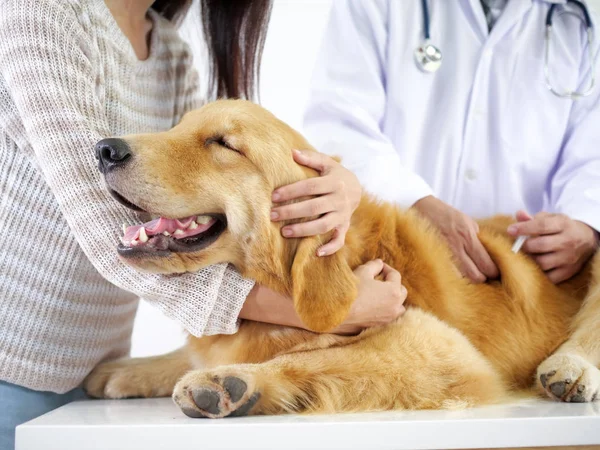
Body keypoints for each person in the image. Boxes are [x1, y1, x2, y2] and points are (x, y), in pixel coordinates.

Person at [0, 1, 407, 447]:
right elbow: (105, 232)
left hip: (95, 379)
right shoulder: (41, 13)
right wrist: (329, 312)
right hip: (9, 371)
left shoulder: (169, 51)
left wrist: (340, 185)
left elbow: (207, 215)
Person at [304, 0, 600, 285]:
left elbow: (592, 157)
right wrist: (414, 202)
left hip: (517, 276)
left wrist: (585, 226)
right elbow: (340, 124)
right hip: (390, 264)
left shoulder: (580, 23)